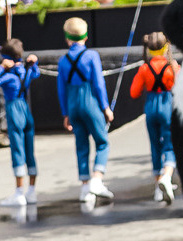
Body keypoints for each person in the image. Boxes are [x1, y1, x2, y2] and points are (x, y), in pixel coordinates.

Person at [58, 16, 114, 208]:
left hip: (73, 104)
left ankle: (84, 188)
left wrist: (65, 113)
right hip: (90, 102)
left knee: (81, 145)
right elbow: (98, 84)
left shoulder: (63, 60)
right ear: (86, 36)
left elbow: (61, 89)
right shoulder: (91, 56)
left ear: (67, 38)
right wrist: (105, 107)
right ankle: (97, 179)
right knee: (102, 142)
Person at [0, 41, 41, 207]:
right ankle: (31, 191)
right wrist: (34, 62)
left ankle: (19, 193)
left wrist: (1, 67)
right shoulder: (25, 70)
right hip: (26, 109)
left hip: (14, 109)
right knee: (30, 151)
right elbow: (36, 72)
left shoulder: (9, 76)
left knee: (17, 151)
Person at [129, 34, 179, 204]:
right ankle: (167, 176)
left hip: (151, 108)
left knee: (155, 145)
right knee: (170, 144)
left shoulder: (144, 68)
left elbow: (134, 92)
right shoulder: (172, 66)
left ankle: (158, 186)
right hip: (167, 106)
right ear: (166, 48)